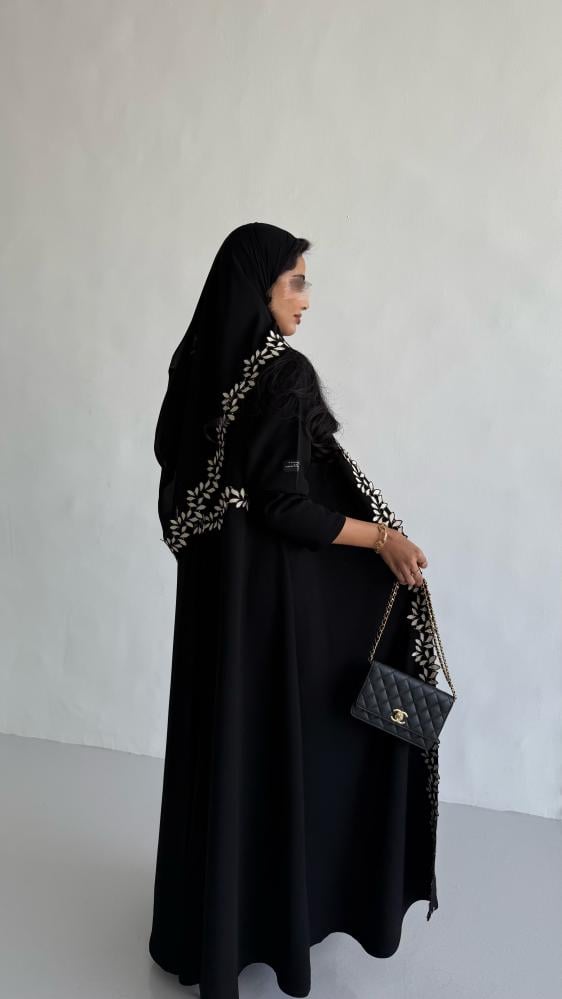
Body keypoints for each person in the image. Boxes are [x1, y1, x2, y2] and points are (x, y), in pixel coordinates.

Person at [148, 222, 442, 999]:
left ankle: (207, 928)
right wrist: (381, 538)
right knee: (292, 743)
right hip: (268, 605)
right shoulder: (282, 374)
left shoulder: (198, 364)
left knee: (225, 742)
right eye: (296, 281)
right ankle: (278, 915)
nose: (307, 298)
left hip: (216, 599)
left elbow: (185, 476)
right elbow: (285, 504)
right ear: (260, 287)